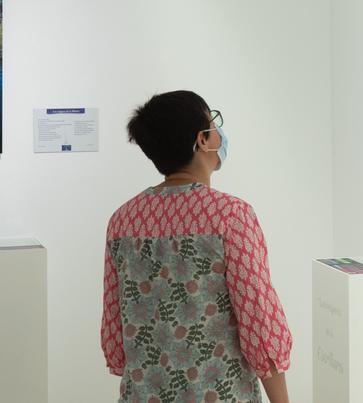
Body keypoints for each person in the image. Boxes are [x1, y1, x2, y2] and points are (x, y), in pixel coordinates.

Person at [102, 90, 292, 403]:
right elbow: (259, 320)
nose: (219, 131)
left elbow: (114, 327)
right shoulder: (231, 216)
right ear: (202, 140)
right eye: (213, 122)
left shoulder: (122, 220)